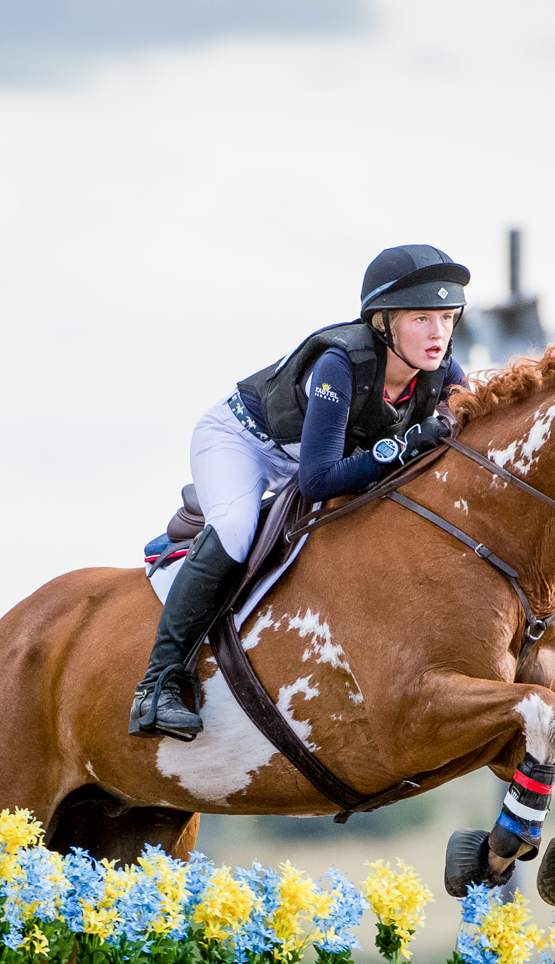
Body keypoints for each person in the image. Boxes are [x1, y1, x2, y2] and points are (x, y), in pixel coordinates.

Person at [129, 244, 474, 741]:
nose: (438, 333)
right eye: (421, 318)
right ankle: (158, 685)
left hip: (307, 453)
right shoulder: (340, 364)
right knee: (236, 529)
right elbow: (318, 480)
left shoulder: (445, 374)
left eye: (446, 317)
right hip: (243, 441)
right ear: (382, 323)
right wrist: (403, 447)